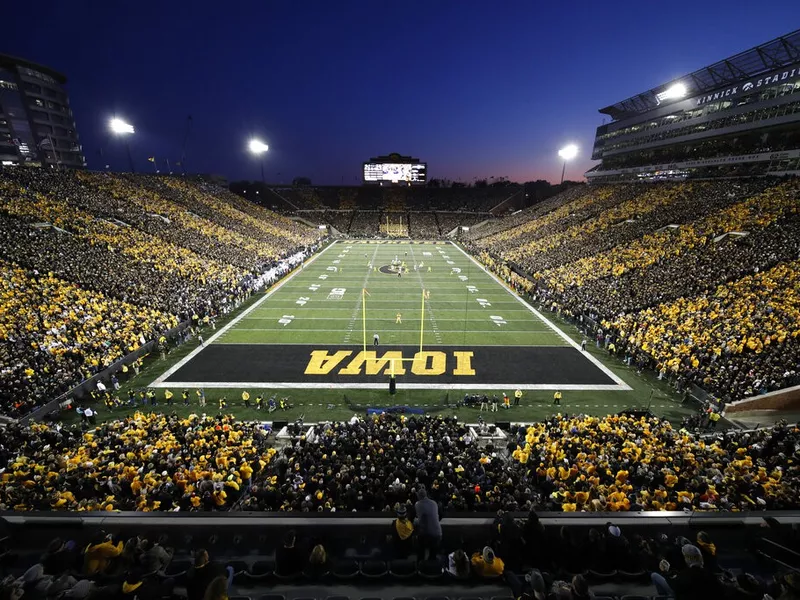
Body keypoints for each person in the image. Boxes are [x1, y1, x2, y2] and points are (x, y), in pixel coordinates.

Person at [414, 488, 441, 559]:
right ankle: (432, 562)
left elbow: (419, 520)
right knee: (433, 555)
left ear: (418, 496)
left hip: (426, 535)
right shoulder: (434, 503)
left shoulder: (418, 504)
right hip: (438, 534)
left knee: (420, 550)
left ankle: (420, 564)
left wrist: (415, 521)